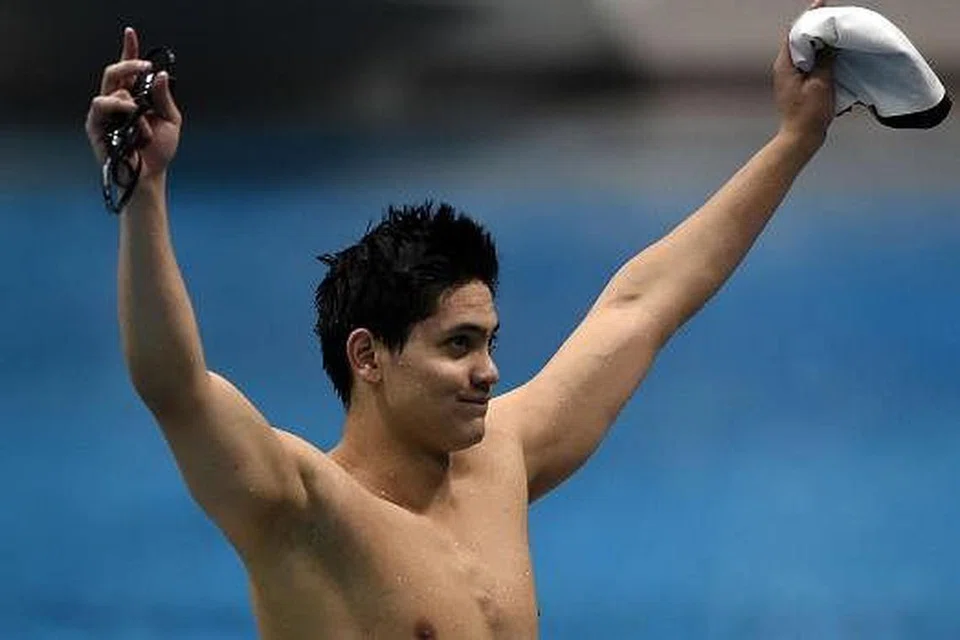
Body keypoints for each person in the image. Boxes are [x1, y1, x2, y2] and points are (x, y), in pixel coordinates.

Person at [84, 2, 835, 637]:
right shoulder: (302, 511)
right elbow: (173, 385)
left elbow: (643, 305)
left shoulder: (499, 462)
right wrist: (144, 191)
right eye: (458, 346)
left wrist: (793, 142)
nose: (490, 372)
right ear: (369, 356)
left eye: (488, 342)